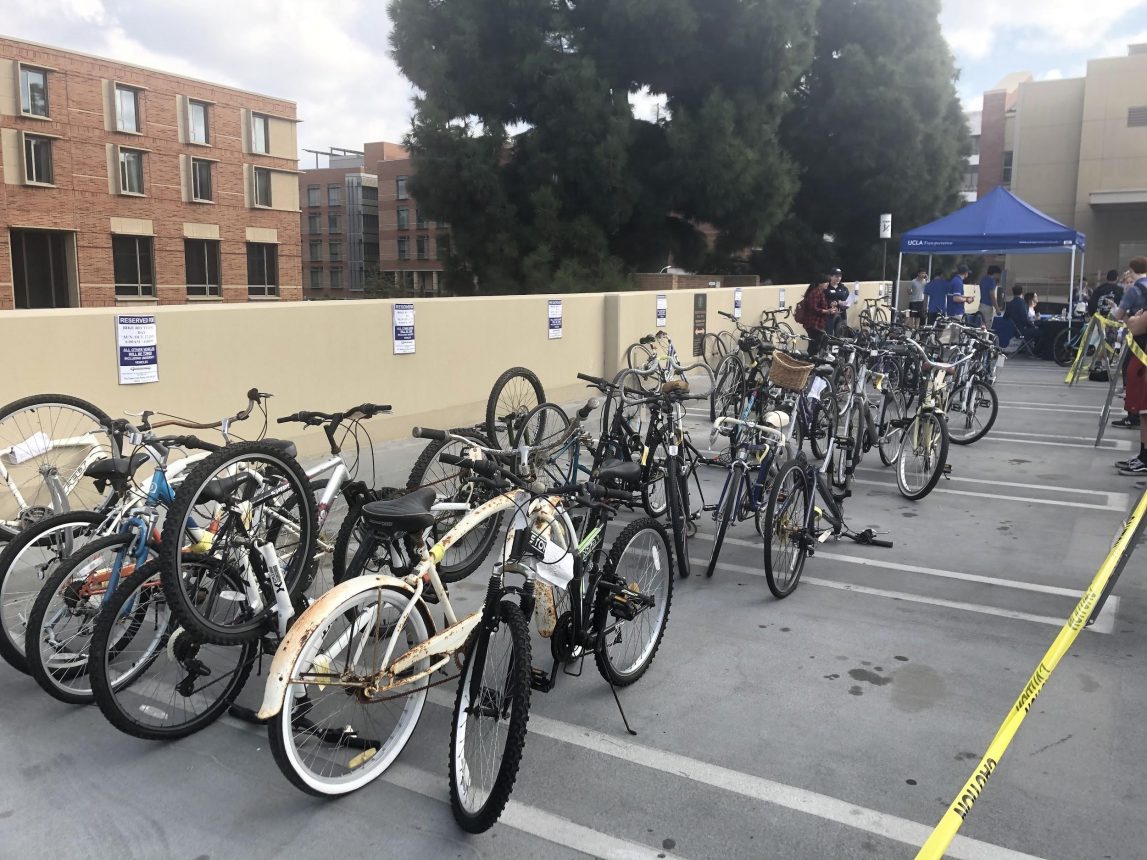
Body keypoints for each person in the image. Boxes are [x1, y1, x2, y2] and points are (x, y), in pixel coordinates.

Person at [1113, 257, 1147, 468]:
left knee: (1143, 409)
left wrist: (1131, 319)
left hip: (1142, 352)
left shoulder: (1135, 290)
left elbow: (1132, 322)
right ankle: (1143, 455)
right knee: (1144, 412)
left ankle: (1144, 457)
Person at [797, 275, 837, 356]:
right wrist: (827, 311)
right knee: (814, 346)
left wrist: (830, 309)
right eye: (826, 282)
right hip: (813, 323)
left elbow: (822, 307)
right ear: (820, 283)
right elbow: (813, 308)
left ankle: (812, 362)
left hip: (818, 323)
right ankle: (809, 363)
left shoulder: (821, 292)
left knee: (818, 343)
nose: (827, 284)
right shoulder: (815, 293)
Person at [825, 267, 849, 335]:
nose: (838, 278)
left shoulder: (843, 288)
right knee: (829, 335)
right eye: (836, 276)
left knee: (841, 334)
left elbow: (847, 299)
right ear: (831, 276)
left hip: (842, 314)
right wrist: (832, 303)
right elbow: (823, 299)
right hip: (830, 315)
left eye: (840, 276)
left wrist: (846, 304)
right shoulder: (826, 287)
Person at [977, 265, 1001, 329]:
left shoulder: (983, 280)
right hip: (988, 307)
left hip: (981, 305)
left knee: (981, 326)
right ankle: (985, 339)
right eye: (998, 274)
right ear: (995, 273)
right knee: (987, 327)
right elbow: (992, 296)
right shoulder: (991, 281)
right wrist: (997, 309)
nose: (999, 275)